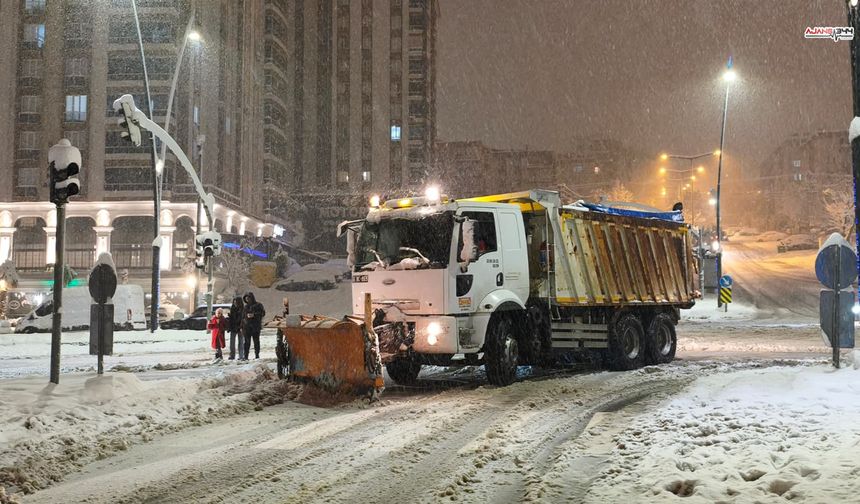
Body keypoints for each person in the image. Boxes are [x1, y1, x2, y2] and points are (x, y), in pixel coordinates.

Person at [241, 292, 265, 360]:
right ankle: (246, 356)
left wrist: (254, 315)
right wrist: (242, 326)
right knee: (246, 342)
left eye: (249, 298)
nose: (248, 300)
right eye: (246, 299)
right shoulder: (246, 307)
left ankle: (257, 355)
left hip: (255, 326)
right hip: (247, 327)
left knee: (256, 341)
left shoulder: (258, 305)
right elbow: (243, 317)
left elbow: (262, 313)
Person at [228, 295, 244, 360]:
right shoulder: (232, 309)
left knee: (241, 342)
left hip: (240, 327)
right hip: (233, 327)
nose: (235, 304)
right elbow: (231, 319)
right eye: (234, 302)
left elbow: (243, 319)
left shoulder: (243, 309)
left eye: (236, 302)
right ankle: (232, 355)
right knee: (232, 343)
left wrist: (241, 326)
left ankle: (241, 356)